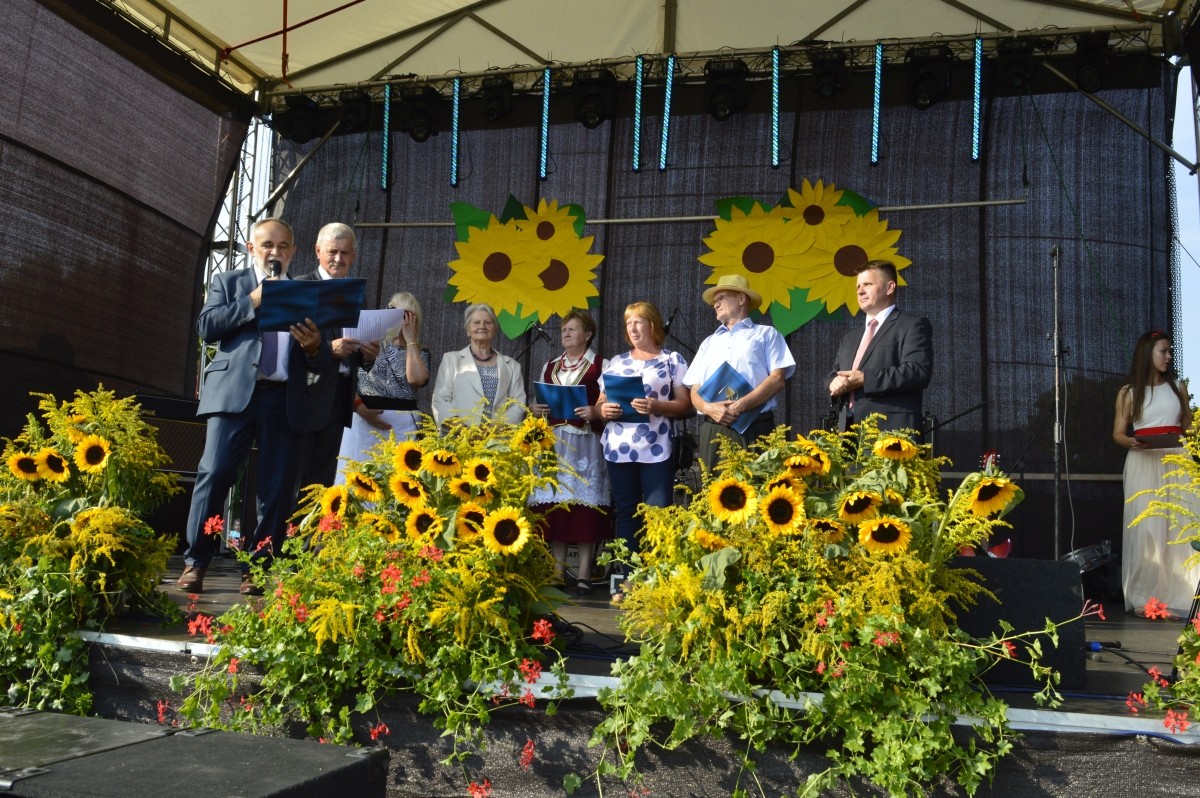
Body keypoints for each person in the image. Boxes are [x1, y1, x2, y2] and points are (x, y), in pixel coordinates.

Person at [176, 218, 329, 595]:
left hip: (283, 397)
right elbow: (206, 327)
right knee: (215, 474)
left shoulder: (307, 295)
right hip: (234, 394)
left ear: (293, 251)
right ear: (251, 248)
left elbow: (321, 360)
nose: (275, 252)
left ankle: (258, 567)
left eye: (283, 246)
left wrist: (314, 348)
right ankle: (196, 561)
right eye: (267, 245)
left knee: (276, 487)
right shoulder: (229, 283)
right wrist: (254, 301)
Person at [1112, 329, 1199, 618]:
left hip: (1176, 460)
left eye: (1170, 351)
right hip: (1144, 462)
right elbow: (1118, 433)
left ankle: (1183, 595)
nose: (1168, 356)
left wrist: (1189, 433)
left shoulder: (1178, 387)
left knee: (1179, 526)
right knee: (1148, 528)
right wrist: (1132, 442)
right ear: (1147, 354)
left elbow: (1188, 426)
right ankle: (1146, 598)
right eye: (1163, 351)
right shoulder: (1128, 392)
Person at [597, 302, 692, 563]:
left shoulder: (672, 360)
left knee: (658, 511)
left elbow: (686, 405)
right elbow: (599, 404)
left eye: (638, 321)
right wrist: (604, 410)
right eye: (628, 323)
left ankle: (656, 574)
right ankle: (628, 574)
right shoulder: (616, 362)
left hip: (657, 448)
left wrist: (657, 406)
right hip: (619, 448)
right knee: (626, 511)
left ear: (652, 325)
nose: (632, 327)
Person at [529, 311, 611, 594]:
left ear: (587, 334)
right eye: (564, 329)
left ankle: (584, 572)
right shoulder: (550, 365)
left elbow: (609, 402)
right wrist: (536, 408)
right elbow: (539, 400)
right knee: (557, 504)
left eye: (572, 329)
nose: (565, 333)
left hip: (586, 441)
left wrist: (595, 411)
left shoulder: (601, 364)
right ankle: (557, 569)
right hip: (555, 442)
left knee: (585, 507)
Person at [295, 223, 378, 491]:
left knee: (324, 485)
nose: (338, 259)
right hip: (305, 397)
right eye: (332, 251)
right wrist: (329, 349)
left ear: (354, 256)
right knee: (297, 482)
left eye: (345, 252)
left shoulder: (357, 294)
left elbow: (358, 349)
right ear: (317, 251)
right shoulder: (301, 287)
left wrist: (369, 355)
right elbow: (290, 345)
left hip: (340, 398)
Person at [684, 274, 795, 471]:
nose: (715, 304)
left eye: (721, 298)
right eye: (714, 301)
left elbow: (777, 379)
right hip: (713, 428)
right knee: (714, 488)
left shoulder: (766, 334)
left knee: (758, 486)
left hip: (755, 426)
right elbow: (694, 389)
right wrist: (709, 408)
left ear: (741, 298)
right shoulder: (708, 342)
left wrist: (739, 406)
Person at [828, 259, 932, 435]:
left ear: (890, 287)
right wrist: (833, 383)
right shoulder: (850, 337)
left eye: (867, 284)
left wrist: (865, 379)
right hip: (848, 432)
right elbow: (834, 374)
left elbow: (917, 372)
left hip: (891, 430)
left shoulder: (912, 325)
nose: (860, 291)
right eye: (858, 286)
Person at [336, 291, 431, 479]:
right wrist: (359, 407)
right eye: (395, 313)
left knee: (395, 480)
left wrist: (410, 341)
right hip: (363, 418)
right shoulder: (368, 344)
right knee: (352, 477)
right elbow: (346, 378)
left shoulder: (420, 352)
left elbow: (416, 379)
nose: (400, 320)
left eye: (406, 315)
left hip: (402, 427)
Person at [432, 303, 526, 426]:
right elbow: (440, 400)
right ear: (468, 330)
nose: (482, 326)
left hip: (498, 435)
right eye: (476, 322)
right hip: (459, 435)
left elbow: (518, 405)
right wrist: (462, 429)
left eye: (488, 322)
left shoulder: (512, 366)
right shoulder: (451, 360)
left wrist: (494, 429)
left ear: (495, 329)